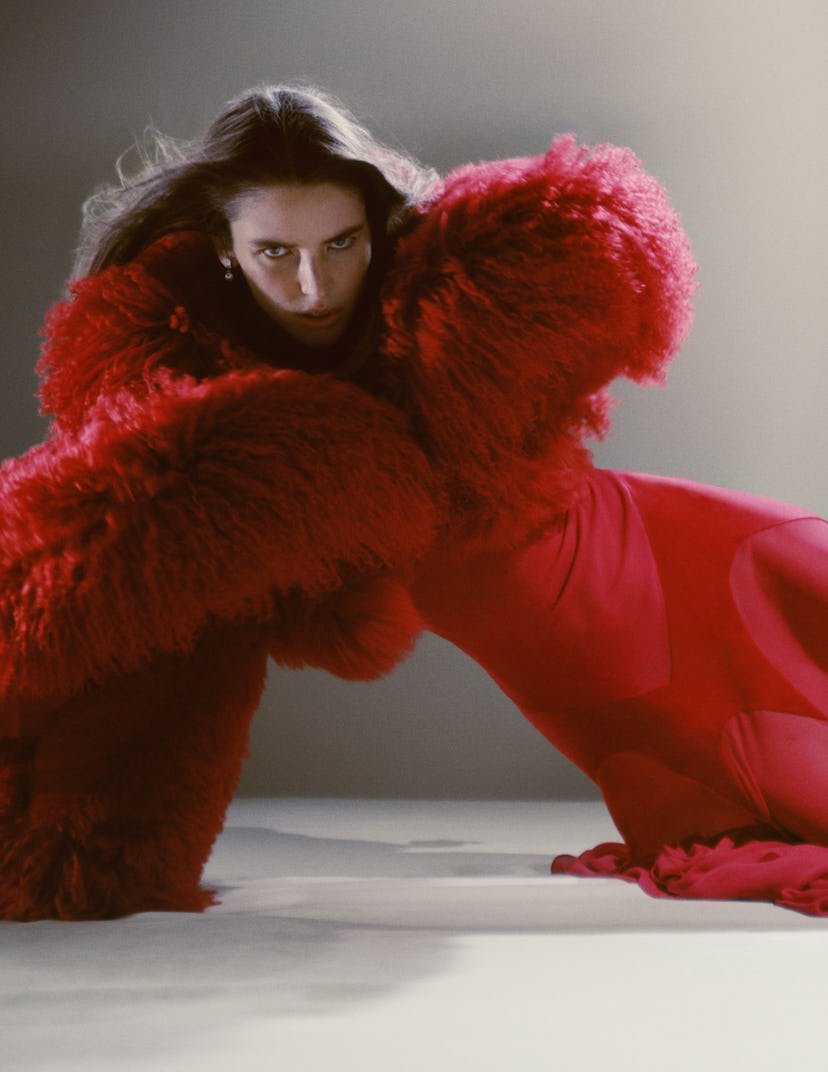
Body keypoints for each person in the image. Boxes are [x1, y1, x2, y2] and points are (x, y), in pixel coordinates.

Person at [2, 84, 828, 921]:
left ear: (378, 226)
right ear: (223, 245)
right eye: (275, 254)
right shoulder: (167, 370)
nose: (314, 284)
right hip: (592, 667)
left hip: (661, 555)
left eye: (342, 242)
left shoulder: (450, 300)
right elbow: (87, 551)